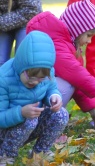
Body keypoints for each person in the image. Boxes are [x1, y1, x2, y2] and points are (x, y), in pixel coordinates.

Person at [26, 0, 95, 128]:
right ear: (77, 28)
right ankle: (46, 125)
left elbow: (77, 80)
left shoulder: (69, 47)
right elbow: (75, 74)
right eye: (88, 35)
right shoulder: (56, 42)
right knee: (69, 82)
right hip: (32, 99)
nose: (89, 41)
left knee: (71, 81)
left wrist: (92, 109)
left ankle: (49, 121)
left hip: (40, 94)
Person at [0, 30, 69, 165]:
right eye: (31, 77)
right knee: (30, 120)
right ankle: (5, 155)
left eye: (41, 78)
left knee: (61, 114)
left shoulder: (46, 74)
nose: (35, 82)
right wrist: (20, 112)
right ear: (21, 66)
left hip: (26, 127)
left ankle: (39, 153)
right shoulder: (4, 79)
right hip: (5, 130)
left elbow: (51, 87)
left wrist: (54, 97)